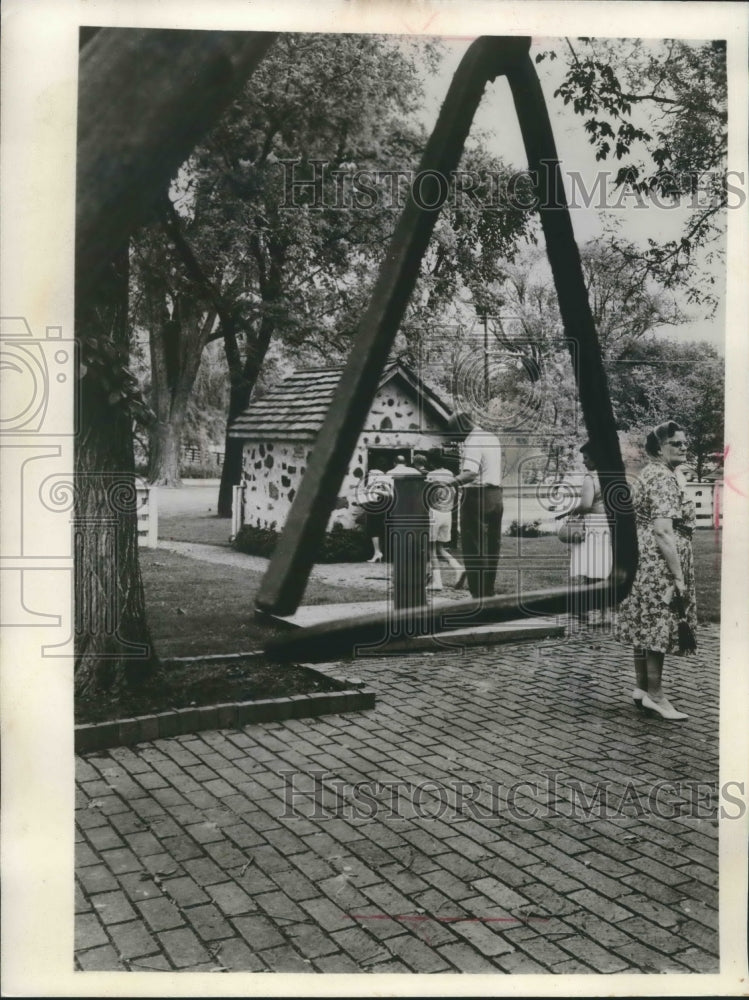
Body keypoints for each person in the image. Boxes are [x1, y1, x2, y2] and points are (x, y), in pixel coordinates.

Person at [615, 421, 697, 721]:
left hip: (642, 558)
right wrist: (678, 576)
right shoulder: (662, 477)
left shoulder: (652, 473)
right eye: (676, 443)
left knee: (645, 622)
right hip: (658, 562)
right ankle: (657, 695)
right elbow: (664, 531)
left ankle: (642, 688)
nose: (684, 446)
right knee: (658, 626)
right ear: (659, 447)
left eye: (684, 442)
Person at [446, 411, 503, 600]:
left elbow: (470, 473)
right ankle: (488, 592)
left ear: (463, 425)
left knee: (473, 546)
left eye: (455, 430)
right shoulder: (491, 437)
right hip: (495, 496)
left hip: (477, 497)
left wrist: (447, 482)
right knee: (491, 547)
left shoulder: (473, 440)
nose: (456, 436)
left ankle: (478, 595)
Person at [567, 442, 612, 622]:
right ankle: (604, 612)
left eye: (586, 458)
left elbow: (586, 505)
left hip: (594, 525)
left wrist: (573, 511)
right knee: (604, 568)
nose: (584, 462)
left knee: (590, 568)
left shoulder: (590, 478)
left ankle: (586, 609)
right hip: (609, 525)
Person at [424, 448, 464, 591]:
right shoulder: (450, 474)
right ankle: (458, 568)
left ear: (430, 461)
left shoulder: (430, 475)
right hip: (447, 513)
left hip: (434, 512)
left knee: (431, 550)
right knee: (440, 548)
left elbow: (426, 495)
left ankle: (437, 582)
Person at [361, 464, 392, 563]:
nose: (370, 475)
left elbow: (389, 494)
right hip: (378, 505)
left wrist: (375, 491)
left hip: (378, 506)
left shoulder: (381, 481)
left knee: (375, 529)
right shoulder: (382, 480)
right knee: (376, 530)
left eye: (371, 474)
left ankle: (378, 553)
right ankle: (378, 552)